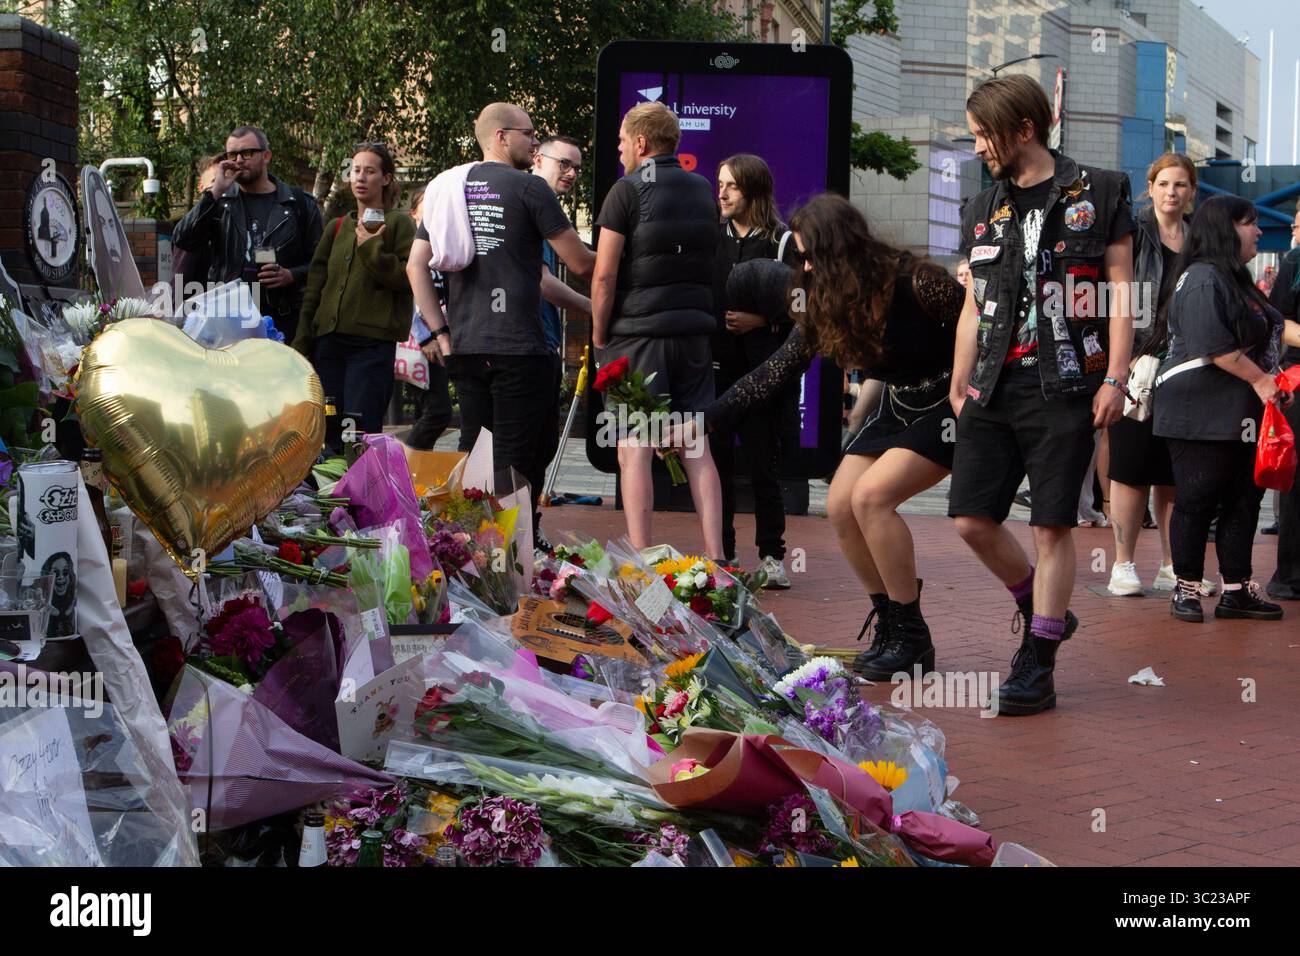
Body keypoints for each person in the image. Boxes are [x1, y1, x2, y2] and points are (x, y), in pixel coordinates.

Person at [665, 194, 964, 678]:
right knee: (841, 505)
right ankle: (890, 622)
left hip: (949, 404)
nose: (804, 266)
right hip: (898, 405)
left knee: (870, 498)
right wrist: (704, 420)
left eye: (810, 255)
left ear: (842, 248)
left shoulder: (919, 281)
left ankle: (913, 637)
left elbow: (978, 331)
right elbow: (774, 373)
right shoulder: (825, 298)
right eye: (800, 257)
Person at [949, 75, 1135, 716]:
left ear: (1023, 129)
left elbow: (1120, 293)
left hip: (1069, 383)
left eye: (982, 135)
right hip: (992, 383)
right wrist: (959, 380)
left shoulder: (1101, 190)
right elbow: (975, 302)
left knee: (1053, 523)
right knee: (971, 517)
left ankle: (1039, 663)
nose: (977, 148)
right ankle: (1040, 607)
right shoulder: (982, 208)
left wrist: (1116, 376)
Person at [413, 103, 595, 522]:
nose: (534, 142)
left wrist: (440, 334)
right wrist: (624, 260)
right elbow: (581, 263)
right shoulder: (530, 188)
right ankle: (511, 558)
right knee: (515, 459)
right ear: (500, 136)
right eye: (528, 133)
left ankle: (471, 552)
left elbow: (415, 264)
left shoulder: (447, 188)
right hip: (519, 346)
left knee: (475, 453)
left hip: (467, 344)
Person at [591, 101, 724, 557]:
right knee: (694, 444)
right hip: (693, 333)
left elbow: (605, 274)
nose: (620, 149)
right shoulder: (703, 187)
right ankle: (717, 555)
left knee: (635, 446)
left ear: (642, 143)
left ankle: (642, 556)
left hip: (637, 333)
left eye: (623, 141)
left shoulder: (625, 191)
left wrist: (598, 332)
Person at [1154, 195, 1296, 623]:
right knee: (1197, 499)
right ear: (1225, 229)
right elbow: (1213, 346)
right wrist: (1260, 379)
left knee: (1243, 499)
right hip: (1199, 410)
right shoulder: (1201, 278)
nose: (1258, 231)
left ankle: (1237, 590)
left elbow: (1271, 328)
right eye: (1250, 223)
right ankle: (1187, 588)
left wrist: (1267, 383)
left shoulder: (1237, 280)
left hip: (1240, 414)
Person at [1106, 153, 1213, 596]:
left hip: (1183, 367)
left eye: (1182, 185)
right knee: (1131, 468)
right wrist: (1122, 356)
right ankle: (1122, 565)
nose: (1173, 192)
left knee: (1173, 472)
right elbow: (1116, 295)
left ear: (1192, 192)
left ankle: (1172, 564)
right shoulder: (1133, 232)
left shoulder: (1198, 240)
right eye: (1165, 184)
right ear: (1150, 187)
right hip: (1137, 362)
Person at [710, 154, 801, 586]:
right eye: (720, 183)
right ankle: (722, 555)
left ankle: (772, 558)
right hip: (720, 368)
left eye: (732, 185)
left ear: (754, 190)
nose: (722, 192)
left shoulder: (783, 241)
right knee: (718, 462)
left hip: (766, 372)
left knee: (764, 464)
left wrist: (763, 321)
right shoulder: (713, 238)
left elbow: (806, 307)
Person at [292, 143, 414, 436]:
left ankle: (362, 482)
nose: (360, 177)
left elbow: (408, 279)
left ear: (385, 178)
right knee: (328, 425)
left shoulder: (399, 224)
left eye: (369, 171)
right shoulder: (336, 227)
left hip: (371, 347)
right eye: (355, 170)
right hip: (328, 346)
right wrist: (303, 342)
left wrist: (371, 246)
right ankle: (331, 483)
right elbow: (315, 289)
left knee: (360, 428)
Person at [172, 125, 323, 344]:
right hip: (229, 325)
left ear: (266, 156)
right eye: (232, 155)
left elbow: (320, 264)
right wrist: (215, 192)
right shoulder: (221, 205)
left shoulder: (299, 204)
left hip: (283, 320)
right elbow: (182, 239)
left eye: (247, 153)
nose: (239, 160)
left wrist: (291, 275)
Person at [531, 136, 593, 540]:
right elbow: (544, 281)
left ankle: (525, 533)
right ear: (538, 159)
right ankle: (515, 539)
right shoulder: (529, 200)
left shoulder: (543, 206)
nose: (571, 173)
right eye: (564, 164)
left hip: (544, 342)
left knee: (540, 445)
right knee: (527, 448)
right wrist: (594, 306)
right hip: (526, 344)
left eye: (577, 168)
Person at [1266, 203, 1300, 597]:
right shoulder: (1295, 261)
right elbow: (1279, 321)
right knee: (1297, 480)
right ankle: (1291, 574)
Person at [404, 189, 455, 451]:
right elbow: (406, 298)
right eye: (428, 204)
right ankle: (403, 466)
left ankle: (413, 476)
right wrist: (426, 337)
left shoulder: (442, 247)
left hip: (441, 338)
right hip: (420, 343)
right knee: (438, 412)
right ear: (414, 213)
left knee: (426, 411)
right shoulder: (410, 247)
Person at [172, 155, 220, 301]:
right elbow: (181, 283)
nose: (223, 186)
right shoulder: (194, 229)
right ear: (201, 187)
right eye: (214, 182)